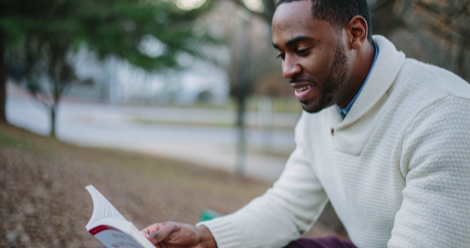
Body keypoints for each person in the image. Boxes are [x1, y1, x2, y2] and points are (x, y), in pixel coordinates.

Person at [141, 0, 470, 247]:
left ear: (355, 34)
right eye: (281, 54)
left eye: (301, 49)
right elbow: (286, 207)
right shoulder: (326, 105)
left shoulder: (442, 116)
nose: (287, 70)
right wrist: (203, 237)